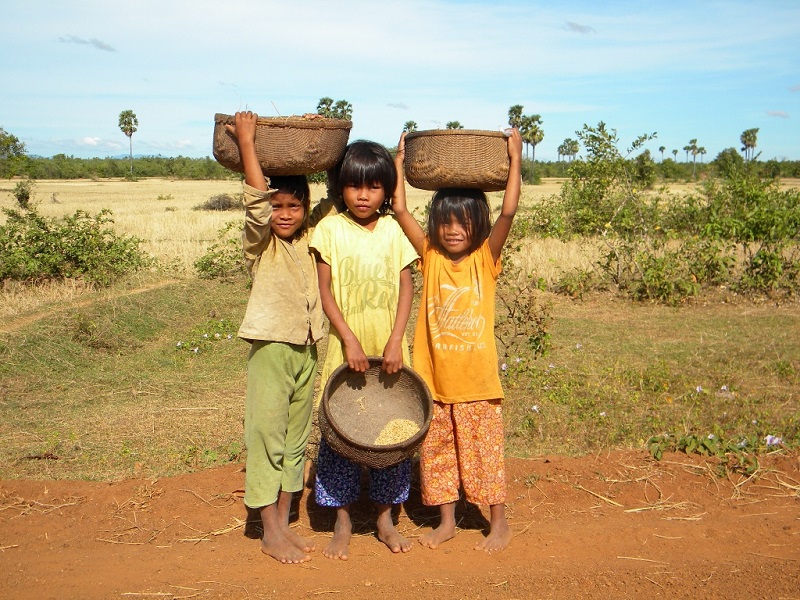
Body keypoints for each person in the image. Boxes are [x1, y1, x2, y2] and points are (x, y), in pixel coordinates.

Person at [392, 128, 523, 553]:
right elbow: (398, 208)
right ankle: (446, 520)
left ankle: (497, 522)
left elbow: (508, 212)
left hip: (477, 383)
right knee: (438, 454)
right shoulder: (429, 255)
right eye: (445, 221)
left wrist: (515, 157)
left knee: (484, 453)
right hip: (435, 380)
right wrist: (399, 162)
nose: (452, 230)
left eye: (462, 222)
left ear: (477, 225)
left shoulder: (485, 259)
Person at [309, 139, 418, 560]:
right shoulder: (330, 230)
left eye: (374, 187)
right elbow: (325, 291)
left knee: (394, 431)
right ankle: (342, 521)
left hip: (388, 348)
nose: (363, 195)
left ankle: (386, 518)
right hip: (346, 347)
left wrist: (395, 340)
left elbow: (407, 287)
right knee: (340, 432)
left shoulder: (393, 231)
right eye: (355, 186)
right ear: (341, 187)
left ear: (386, 190)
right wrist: (349, 339)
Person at [225, 111, 326, 564]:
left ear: (305, 208)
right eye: (278, 206)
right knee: (267, 436)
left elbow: (337, 201)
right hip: (270, 348)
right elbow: (256, 204)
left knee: (296, 437)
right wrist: (248, 142)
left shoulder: (312, 239)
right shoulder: (260, 243)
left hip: (308, 348)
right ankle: (268, 530)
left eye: (294, 206)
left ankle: (284, 524)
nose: (284, 215)